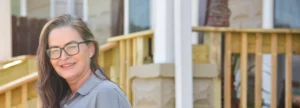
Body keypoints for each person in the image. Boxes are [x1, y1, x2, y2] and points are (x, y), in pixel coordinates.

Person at [36, 14, 132, 108]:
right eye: (55, 50)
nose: (63, 57)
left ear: (90, 49)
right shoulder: (62, 98)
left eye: (71, 47)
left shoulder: (105, 94)